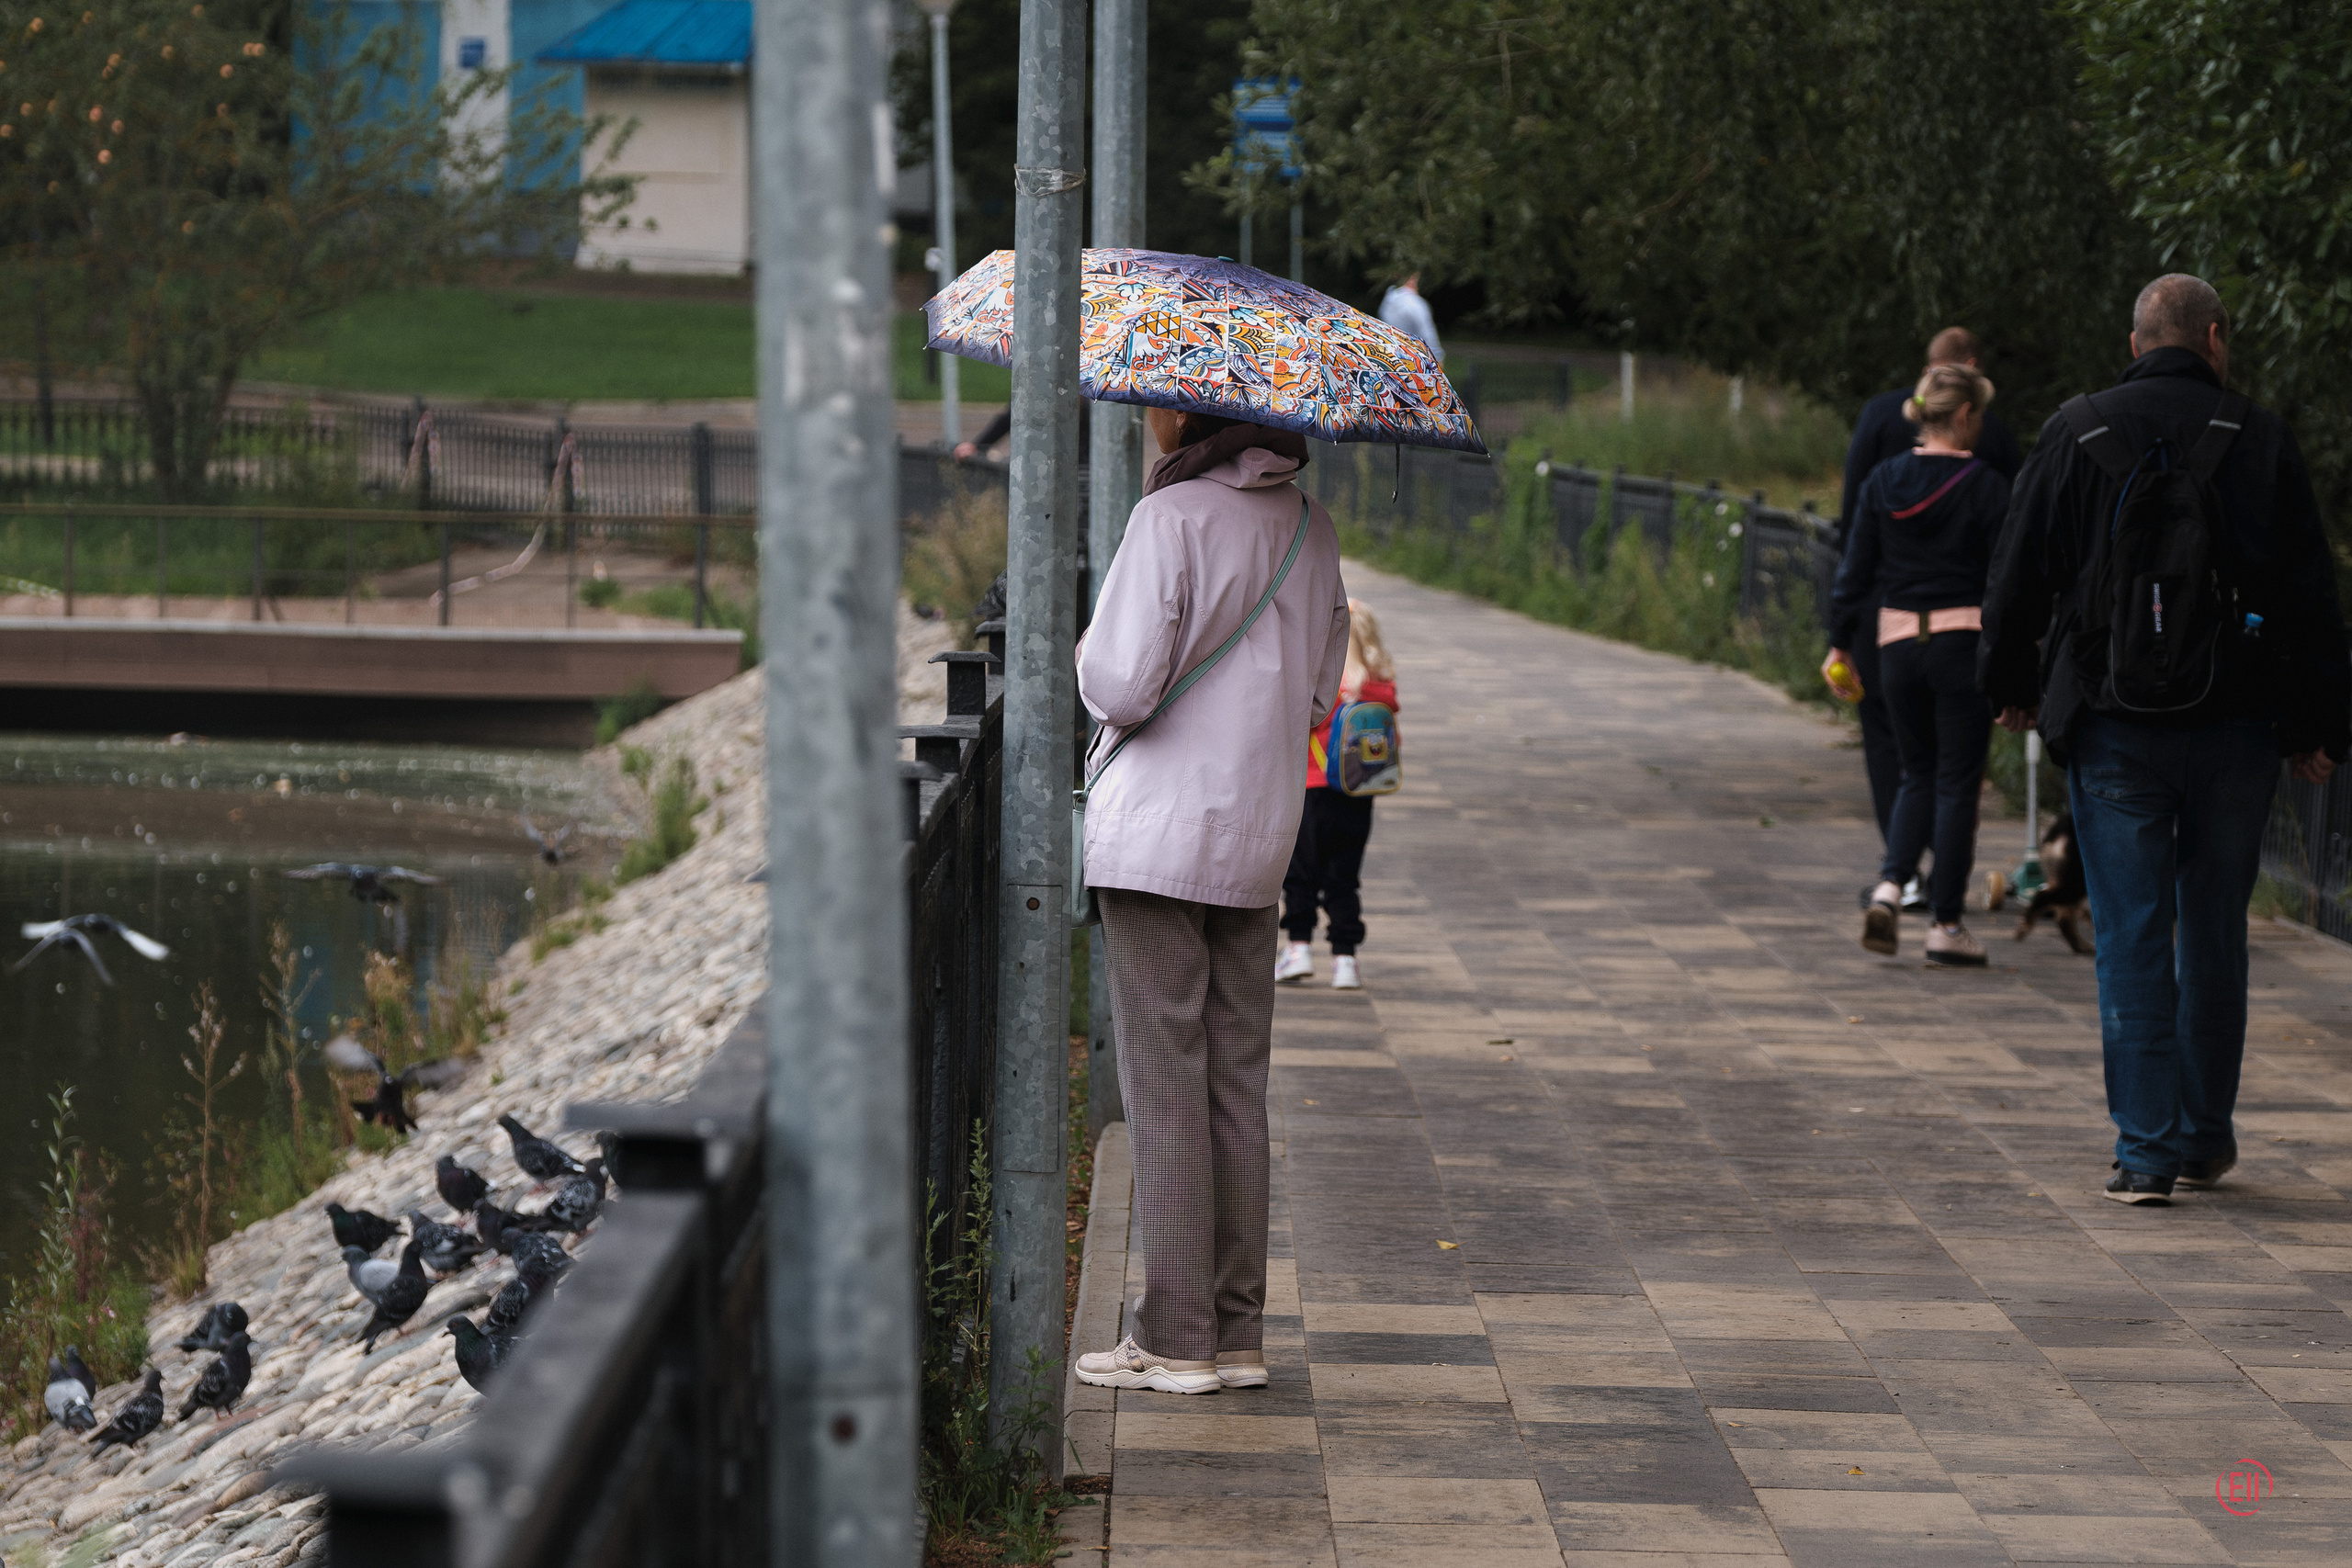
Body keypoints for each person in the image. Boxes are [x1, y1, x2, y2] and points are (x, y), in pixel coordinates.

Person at [1980, 273, 2349, 1205]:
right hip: (2235, 727)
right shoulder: (2258, 438)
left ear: (2135, 342)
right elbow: (2311, 597)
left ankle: (2144, 1152)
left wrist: (2013, 688)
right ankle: (2203, 1136)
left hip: (2113, 724)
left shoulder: (2076, 431)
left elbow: (2016, 572)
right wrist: (2319, 727)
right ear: (2215, 337)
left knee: (2132, 932)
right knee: (2214, 929)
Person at [1072, 408, 1350, 1393]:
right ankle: (1236, 1333)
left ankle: (1176, 1336)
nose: (1146, 415)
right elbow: (1318, 696)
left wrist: (1086, 648)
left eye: (1155, 402)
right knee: (1236, 1081)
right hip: (1259, 833)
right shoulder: (1311, 526)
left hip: (1157, 837)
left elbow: (1120, 687)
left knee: (1163, 1081)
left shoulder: (1171, 517)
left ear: (1192, 410)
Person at [1825, 364, 2010, 966]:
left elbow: (1854, 568)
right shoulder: (1986, 487)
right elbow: (2007, 581)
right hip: (1961, 644)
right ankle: (1946, 925)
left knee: (1915, 773)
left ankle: (1889, 885)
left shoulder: (1883, 480)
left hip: (1897, 644)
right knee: (1957, 783)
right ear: (1964, 416)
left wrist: (1839, 642)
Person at [1277, 599, 1398, 990]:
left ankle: (1298, 948)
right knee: (1344, 877)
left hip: (1313, 789)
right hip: (1358, 793)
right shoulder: (1381, 688)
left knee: (1301, 873)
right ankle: (1345, 959)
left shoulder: (1323, 684)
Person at [1378, 274, 1443, 364]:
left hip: (1390, 355)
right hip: (1415, 358)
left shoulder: (1388, 300)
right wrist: (1437, 357)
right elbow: (1427, 332)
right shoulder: (1416, 304)